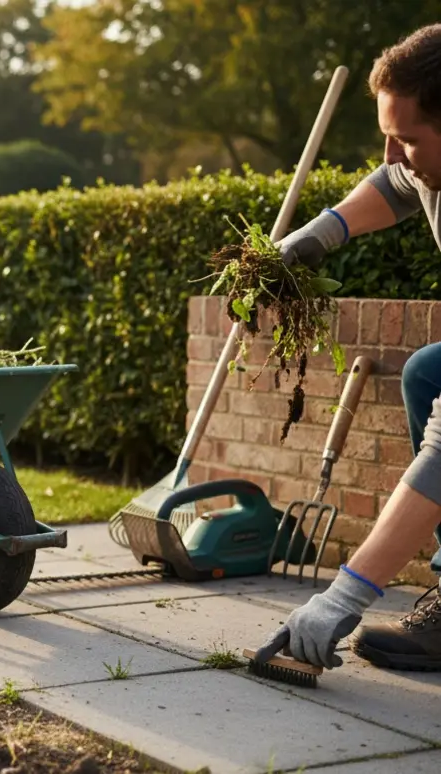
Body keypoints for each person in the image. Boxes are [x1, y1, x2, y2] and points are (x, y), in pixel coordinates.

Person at [254, 24, 441, 672]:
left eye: (408, 137)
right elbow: (394, 185)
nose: (392, 151)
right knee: (426, 374)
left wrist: (345, 593)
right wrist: (310, 240)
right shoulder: (425, 165)